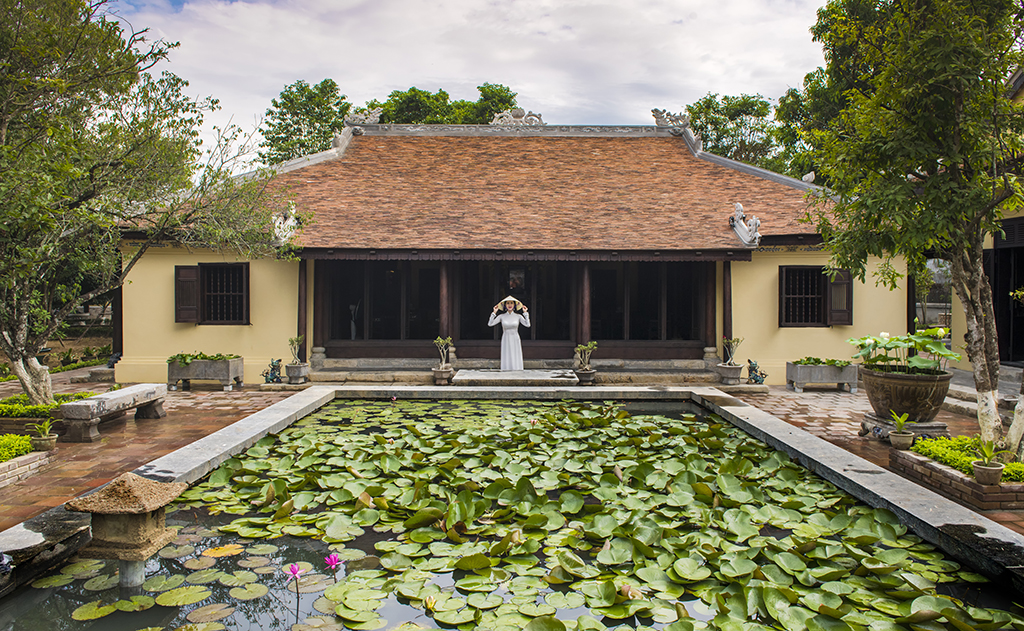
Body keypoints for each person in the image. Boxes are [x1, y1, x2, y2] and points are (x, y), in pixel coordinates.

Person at [488, 295, 530, 371]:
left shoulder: (518, 316)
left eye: (511, 303)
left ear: (514, 305)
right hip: (505, 338)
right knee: (506, 354)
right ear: (505, 305)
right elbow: (490, 324)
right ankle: (505, 370)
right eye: (508, 303)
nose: (510, 305)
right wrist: (494, 313)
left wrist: (525, 313)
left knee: (515, 354)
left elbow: (528, 324)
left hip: (515, 338)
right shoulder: (502, 316)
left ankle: (517, 370)